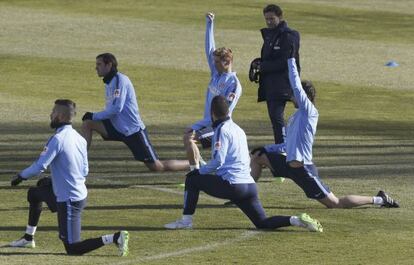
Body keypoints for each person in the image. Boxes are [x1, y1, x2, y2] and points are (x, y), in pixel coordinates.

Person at [250, 55, 400, 209]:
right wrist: (266, 148)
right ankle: (245, 197)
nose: (291, 97)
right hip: (289, 165)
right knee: (258, 157)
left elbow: (295, 85)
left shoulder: (309, 112)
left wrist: (290, 60)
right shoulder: (296, 116)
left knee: (336, 204)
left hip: (303, 169)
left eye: (294, 95)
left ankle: (380, 199)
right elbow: (287, 145)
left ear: (304, 97)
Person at [165, 95, 322, 232]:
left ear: (212, 114)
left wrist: (200, 171)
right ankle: (295, 220)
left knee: (192, 179)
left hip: (233, 186)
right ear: (228, 111)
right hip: (249, 186)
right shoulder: (239, 129)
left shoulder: (222, 130)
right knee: (262, 222)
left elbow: (218, 161)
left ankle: (185, 222)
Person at [8, 99, 129, 256]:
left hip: (70, 201)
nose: (50, 115)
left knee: (72, 248)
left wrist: (20, 176)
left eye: (53, 112)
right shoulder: (79, 138)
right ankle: (28, 238)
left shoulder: (57, 139)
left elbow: (40, 166)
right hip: (69, 192)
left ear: (60, 116)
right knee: (35, 193)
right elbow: (85, 170)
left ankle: (115, 237)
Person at [82, 53, 189, 172]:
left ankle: (194, 162)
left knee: (157, 167)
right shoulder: (109, 82)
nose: (96, 67)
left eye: (99, 64)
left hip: (132, 131)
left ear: (109, 65)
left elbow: (117, 108)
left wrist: (94, 115)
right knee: (88, 123)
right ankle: (80, 161)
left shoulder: (119, 80)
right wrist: (92, 117)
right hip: (116, 127)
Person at [183, 12, 242, 171]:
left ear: (227, 62)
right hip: (208, 123)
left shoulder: (234, 85)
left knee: (190, 138)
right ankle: (198, 170)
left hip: (219, 128)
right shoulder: (216, 74)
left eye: (217, 62)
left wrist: (201, 124)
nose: (213, 64)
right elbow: (209, 49)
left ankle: (197, 173)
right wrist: (210, 24)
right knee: (188, 136)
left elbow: (224, 113)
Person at [254, 4, 300, 144]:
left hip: (282, 84)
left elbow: (285, 62)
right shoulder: (270, 35)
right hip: (271, 84)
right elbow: (270, 58)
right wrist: (258, 63)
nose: (268, 22)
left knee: (277, 117)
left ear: (280, 17)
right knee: (275, 118)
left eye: (271, 19)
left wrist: (263, 66)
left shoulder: (288, 36)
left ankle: (283, 148)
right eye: (266, 19)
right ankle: (282, 146)